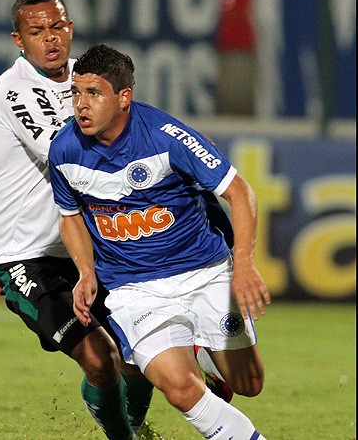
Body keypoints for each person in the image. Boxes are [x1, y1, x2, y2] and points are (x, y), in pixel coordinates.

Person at [48, 44, 271, 440]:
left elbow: (240, 192)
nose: (81, 104)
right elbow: (70, 218)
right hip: (135, 290)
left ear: (123, 97)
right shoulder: (64, 149)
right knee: (182, 390)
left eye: (93, 93)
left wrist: (245, 266)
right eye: (76, 93)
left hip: (206, 274)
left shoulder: (168, 137)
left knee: (248, 383)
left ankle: (200, 350)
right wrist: (85, 272)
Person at [0, 0, 157, 440]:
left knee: (142, 352)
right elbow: (71, 152)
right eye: (37, 31)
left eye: (57, 26)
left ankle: (130, 423)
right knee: (99, 357)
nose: (50, 38)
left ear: (70, 28)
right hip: (23, 255)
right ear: (19, 41)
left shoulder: (86, 78)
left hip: (81, 247)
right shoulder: (13, 91)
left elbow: (132, 124)